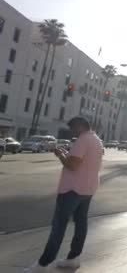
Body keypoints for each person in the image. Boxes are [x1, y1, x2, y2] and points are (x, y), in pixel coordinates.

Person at [25, 117, 103, 273]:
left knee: (59, 227)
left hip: (72, 190)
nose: (72, 132)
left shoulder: (82, 140)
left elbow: (72, 165)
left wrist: (60, 155)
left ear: (80, 126)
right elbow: (82, 160)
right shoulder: (96, 140)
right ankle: (73, 258)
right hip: (88, 188)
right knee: (81, 224)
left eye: (73, 128)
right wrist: (66, 152)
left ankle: (43, 264)